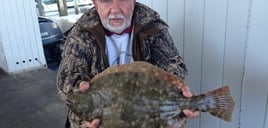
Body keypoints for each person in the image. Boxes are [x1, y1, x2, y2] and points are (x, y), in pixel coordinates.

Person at [56, 0, 199, 128]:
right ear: (95, 2)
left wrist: (177, 90)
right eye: (106, 1)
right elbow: (66, 79)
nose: (115, 9)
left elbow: (173, 63)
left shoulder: (152, 26)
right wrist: (80, 87)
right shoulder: (81, 33)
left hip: (145, 116)